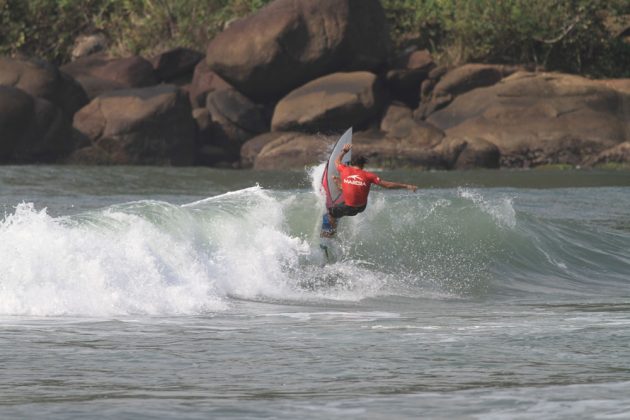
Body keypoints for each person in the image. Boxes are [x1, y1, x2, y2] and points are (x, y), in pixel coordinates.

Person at [321, 144, 418, 237]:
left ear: (351, 163)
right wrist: (406, 186)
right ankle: (340, 185)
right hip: (361, 207)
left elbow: (337, 161)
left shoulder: (344, 169)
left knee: (330, 213)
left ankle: (331, 233)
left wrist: (344, 151)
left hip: (349, 207)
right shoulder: (369, 175)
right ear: (363, 166)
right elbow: (387, 185)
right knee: (350, 185)